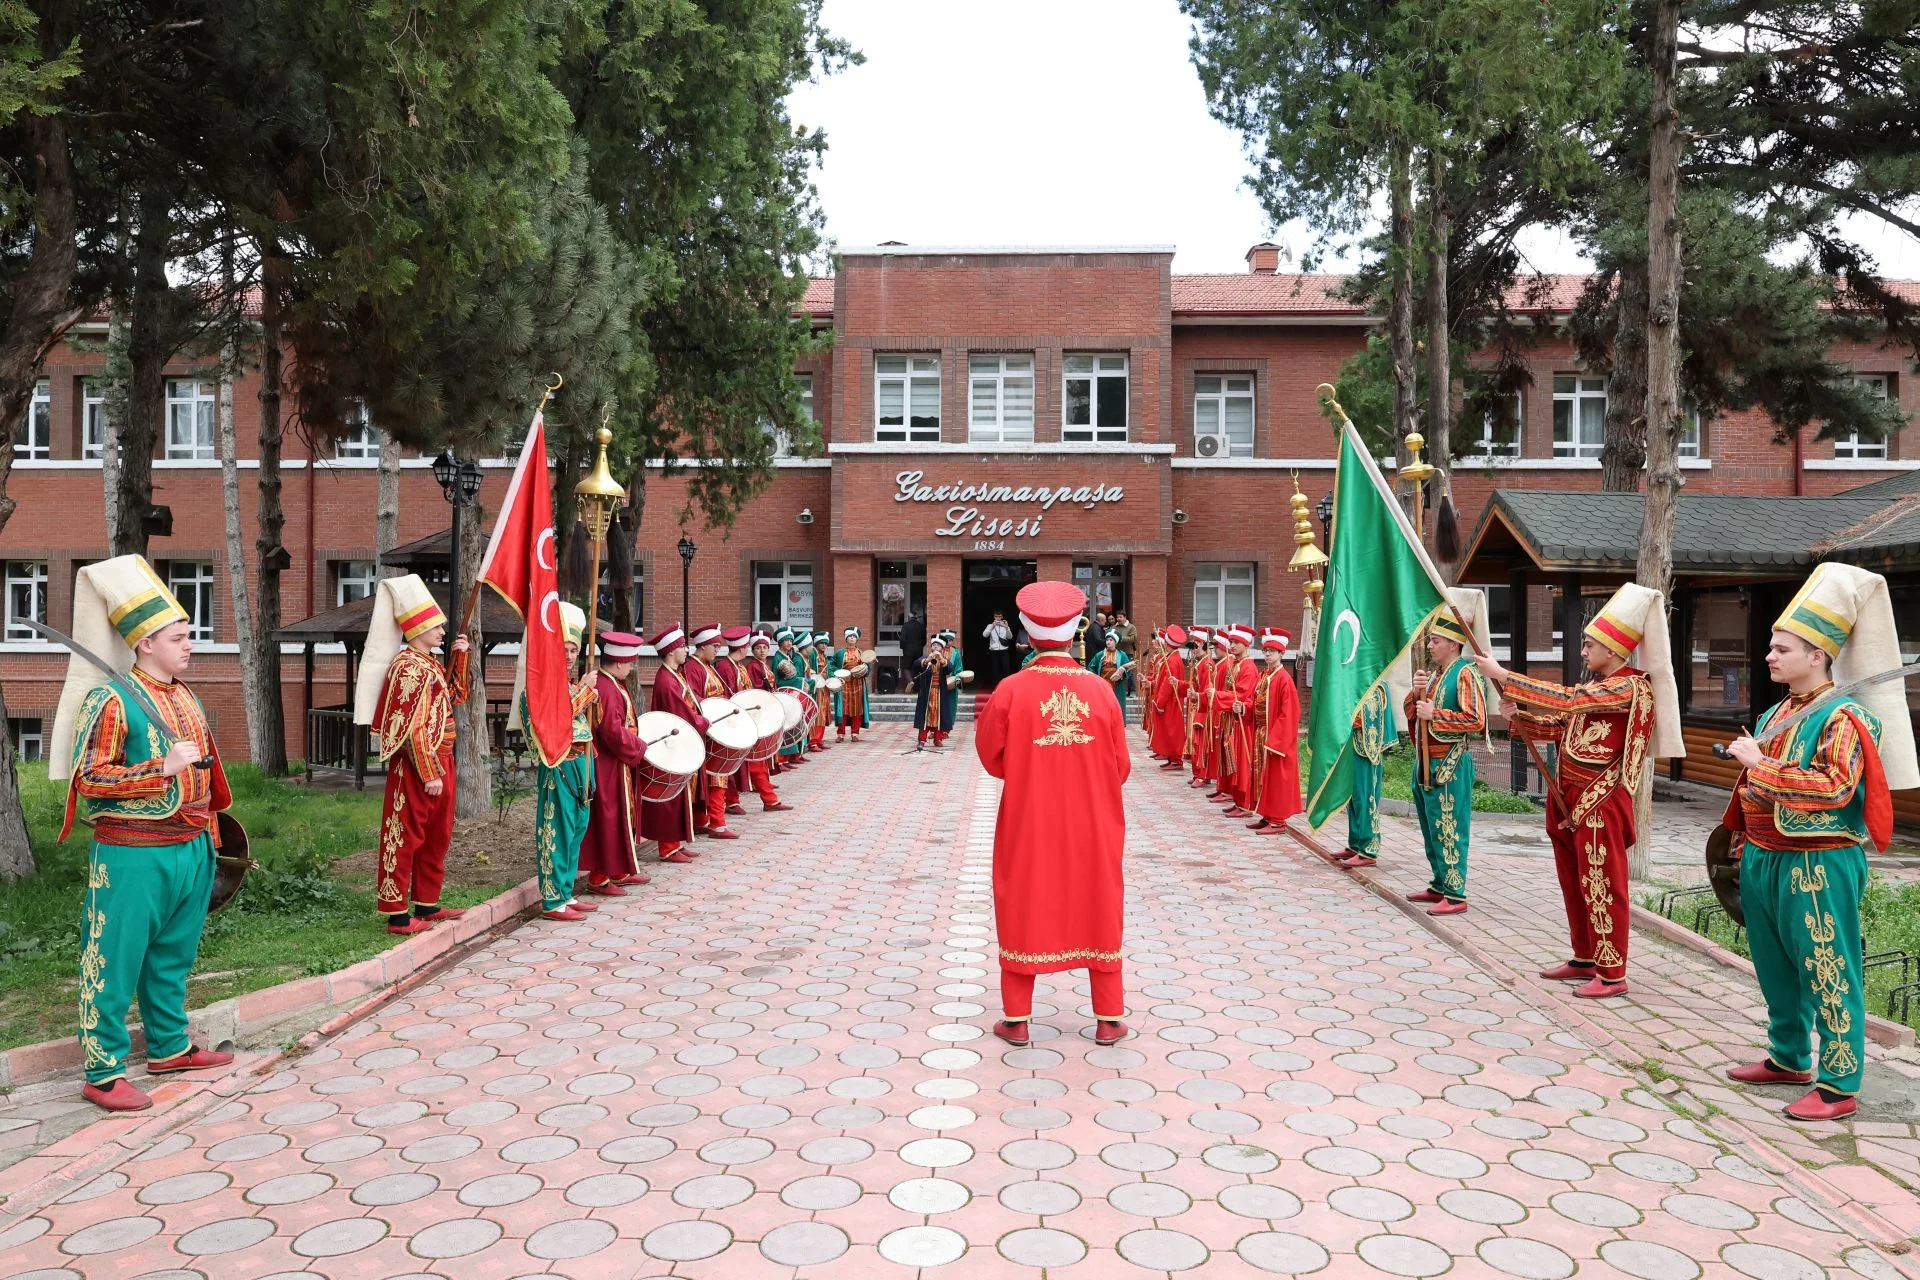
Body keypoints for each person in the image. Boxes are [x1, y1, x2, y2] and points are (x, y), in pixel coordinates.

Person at [1720, 564, 1916, 1121]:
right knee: (1774, 966)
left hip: (1819, 863)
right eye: (1771, 648)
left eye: (1782, 649)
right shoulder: (1775, 713)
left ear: (1817, 655)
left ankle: (1838, 1083)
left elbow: (1834, 788)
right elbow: (1755, 784)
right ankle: (1787, 1057)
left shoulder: (1848, 717)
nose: (1770, 656)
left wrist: (1760, 765)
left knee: (1828, 966)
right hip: (1763, 854)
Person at [52, 556, 236, 1111]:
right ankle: (102, 1071)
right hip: (131, 855)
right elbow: (89, 778)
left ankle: (170, 1046)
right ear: (145, 643)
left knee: (172, 957)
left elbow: (206, 772)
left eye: (189, 637)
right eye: (179, 638)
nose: (190, 645)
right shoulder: (111, 699)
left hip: (191, 847)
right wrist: (159, 769)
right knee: (113, 958)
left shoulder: (185, 696)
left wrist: (213, 835)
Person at [1476, 583, 1682, 999]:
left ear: (1611, 648)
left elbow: (1570, 702)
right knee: (1575, 882)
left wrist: (1506, 678)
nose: (1583, 652)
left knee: (1604, 883)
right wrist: (1521, 719)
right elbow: (1560, 728)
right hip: (1567, 795)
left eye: (1589, 645)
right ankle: (1585, 956)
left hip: (1600, 800)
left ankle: (1612, 972)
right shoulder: (1597, 687)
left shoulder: (1629, 686)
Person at [976, 580, 1133, 1048]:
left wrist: (1028, 769)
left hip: (1030, 820)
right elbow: (1120, 767)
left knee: (1023, 898)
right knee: (1099, 902)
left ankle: (1018, 1019)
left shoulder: (1010, 689)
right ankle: (1108, 1017)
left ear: (1025, 632)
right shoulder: (1101, 692)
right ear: (1074, 632)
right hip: (1094, 821)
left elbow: (991, 757)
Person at [358, 574, 472, 935]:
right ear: (418, 628)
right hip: (420, 766)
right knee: (404, 835)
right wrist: (430, 772)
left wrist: (461, 656)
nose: (442, 631)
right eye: (436, 626)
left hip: (443, 761)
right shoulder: (409, 667)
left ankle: (426, 903)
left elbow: (455, 696)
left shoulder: (430, 663)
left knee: (437, 836)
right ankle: (397, 914)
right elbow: (411, 728)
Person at [1404, 591, 1489, 916]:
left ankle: (1455, 892)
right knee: (1431, 824)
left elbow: (1476, 719)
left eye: (1435, 640)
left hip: (1449, 764)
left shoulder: (1465, 673)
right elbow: (1415, 712)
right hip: (1426, 761)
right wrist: (1415, 693)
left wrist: (1434, 715)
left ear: (1453, 644)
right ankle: (1439, 882)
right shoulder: (1438, 674)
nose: (1429, 645)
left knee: (1450, 825)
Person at [518, 602, 600, 922]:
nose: (568, 656)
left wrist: (582, 691)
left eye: (573, 650)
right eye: (563, 649)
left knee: (576, 829)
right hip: (560, 764)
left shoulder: (566, 684)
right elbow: (556, 719)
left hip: (581, 763)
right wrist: (585, 691)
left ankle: (566, 891)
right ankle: (552, 899)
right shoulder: (539, 687)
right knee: (557, 830)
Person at [581, 630, 653, 889]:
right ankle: (600, 876)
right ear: (620, 662)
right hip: (607, 763)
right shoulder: (607, 688)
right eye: (631, 663)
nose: (632, 668)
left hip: (614, 762)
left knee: (619, 815)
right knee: (608, 816)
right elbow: (611, 730)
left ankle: (619, 868)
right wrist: (638, 746)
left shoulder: (609, 683)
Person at [643, 624, 712, 861]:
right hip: (672, 745)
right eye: (682, 646)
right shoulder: (666, 681)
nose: (686, 650)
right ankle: (668, 846)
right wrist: (702, 722)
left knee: (680, 793)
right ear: (671, 651)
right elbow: (681, 715)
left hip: (679, 742)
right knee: (671, 795)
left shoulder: (675, 675)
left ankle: (676, 842)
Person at [1335, 671, 1407, 869]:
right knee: (1354, 798)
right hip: (1353, 747)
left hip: (1368, 750)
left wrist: (1345, 716)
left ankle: (1369, 848)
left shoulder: (1376, 684)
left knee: (1367, 797)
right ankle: (1356, 843)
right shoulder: (1357, 680)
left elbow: (1369, 718)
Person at [682, 623, 739, 840]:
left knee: (714, 777)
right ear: (703, 646)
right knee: (715, 776)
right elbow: (696, 701)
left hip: (716, 728)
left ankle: (705, 820)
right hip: (707, 730)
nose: (717, 650)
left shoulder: (708, 666)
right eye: (714, 646)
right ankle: (717, 823)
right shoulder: (694, 668)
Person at [1248, 630, 1303, 834]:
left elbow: (1289, 713)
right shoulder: (1264, 675)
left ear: (1281, 653)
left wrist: (1276, 739)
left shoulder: (1284, 679)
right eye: (1265, 651)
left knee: (1276, 777)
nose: (1268, 654)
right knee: (1262, 775)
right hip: (1261, 732)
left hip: (1275, 738)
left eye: (1272, 651)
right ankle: (1266, 814)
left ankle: (1278, 820)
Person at [740, 632, 793, 809]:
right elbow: (756, 691)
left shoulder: (764, 665)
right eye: (758, 648)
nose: (762, 651)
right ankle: (761, 788)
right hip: (759, 712)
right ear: (752, 650)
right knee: (757, 754)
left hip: (766, 709)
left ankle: (764, 784)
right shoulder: (753, 666)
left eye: (765, 648)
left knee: (763, 754)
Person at [1148, 624, 1190, 768]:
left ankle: (1176, 759)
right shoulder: (1173, 657)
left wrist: (1160, 702)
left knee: (1172, 730)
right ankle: (1172, 758)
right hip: (1170, 700)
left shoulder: (1172, 660)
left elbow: (1167, 684)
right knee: (1169, 730)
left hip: (1170, 701)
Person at [773, 629, 810, 768]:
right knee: (785, 727)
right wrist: (802, 682)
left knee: (791, 726)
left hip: (790, 695)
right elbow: (778, 681)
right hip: (783, 695)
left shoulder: (786, 656)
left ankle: (788, 758)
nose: (789, 643)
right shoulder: (777, 658)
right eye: (786, 640)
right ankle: (780, 760)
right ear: (781, 642)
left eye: (790, 640)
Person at [1187, 627, 1217, 790]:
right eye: (1191, 647)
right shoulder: (1198, 663)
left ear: (1204, 645)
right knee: (1195, 742)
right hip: (1196, 707)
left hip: (1203, 709)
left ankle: (1203, 775)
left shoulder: (1207, 664)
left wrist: (1196, 696)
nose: (1193, 650)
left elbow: (1207, 690)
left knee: (1201, 743)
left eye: (1196, 646)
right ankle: (1197, 772)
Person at [912, 636, 955, 746]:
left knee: (939, 715)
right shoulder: (926, 658)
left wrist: (941, 659)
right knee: (925, 716)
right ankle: (922, 739)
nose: (935, 646)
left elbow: (950, 668)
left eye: (938, 645)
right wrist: (927, 660)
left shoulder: (943, 659)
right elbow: (916, 664)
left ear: (942, 648)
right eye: (933, 645)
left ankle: (938, 739)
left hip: (939, 693)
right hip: (927, 693)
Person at [833, 626, 871, 740]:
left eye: (854, 637)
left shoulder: (861, 653)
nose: (852, 639)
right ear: (846, 639)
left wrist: (866, 669)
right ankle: (841, 733)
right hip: (844, 683)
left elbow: (868, 669)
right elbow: (831, 664)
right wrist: (835, 674)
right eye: (850, 636)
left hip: (858, 683)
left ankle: (855, 733)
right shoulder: (840, 653)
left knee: (857, 708)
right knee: (843, 708)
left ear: (857, 639)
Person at [1090, 631, 1132, 708]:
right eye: (1107, 640)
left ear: (1116, 642)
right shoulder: (1099, 655)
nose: (1108, 642)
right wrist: (1096, 679)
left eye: (1111, 640)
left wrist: (1122, 672)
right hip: (1103, 683)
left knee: (1116, 706)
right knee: (1103, 705)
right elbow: (1091, 668)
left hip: (1117, 684)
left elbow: (1129, 671)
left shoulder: (1122, 655)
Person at [982, 611, 1014, 686]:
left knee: (1006, 668)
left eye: (999, 617)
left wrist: (1007, 628)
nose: (998, 618)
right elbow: (984, 635)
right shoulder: (990, 625)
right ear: (994, 617)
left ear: (1002, 617)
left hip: (1004, 650)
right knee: (995, 669)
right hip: (994, 651)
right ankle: (996, 686)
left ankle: (1007, 686)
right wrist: (993, 626)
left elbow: (1010, 637)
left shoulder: (1005, 626)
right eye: (996, 616)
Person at [901, 609, 928, 679]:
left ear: (909, 617)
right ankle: (917, 688)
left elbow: (902, 639)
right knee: (918, 668)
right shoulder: (921, 626)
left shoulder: (906, 625)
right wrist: (920, 646)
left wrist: (903, 647)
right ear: (916, 618)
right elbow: (924, 640)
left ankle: (910, 682)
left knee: (906, 667)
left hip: (908, 651)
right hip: (919, 650)